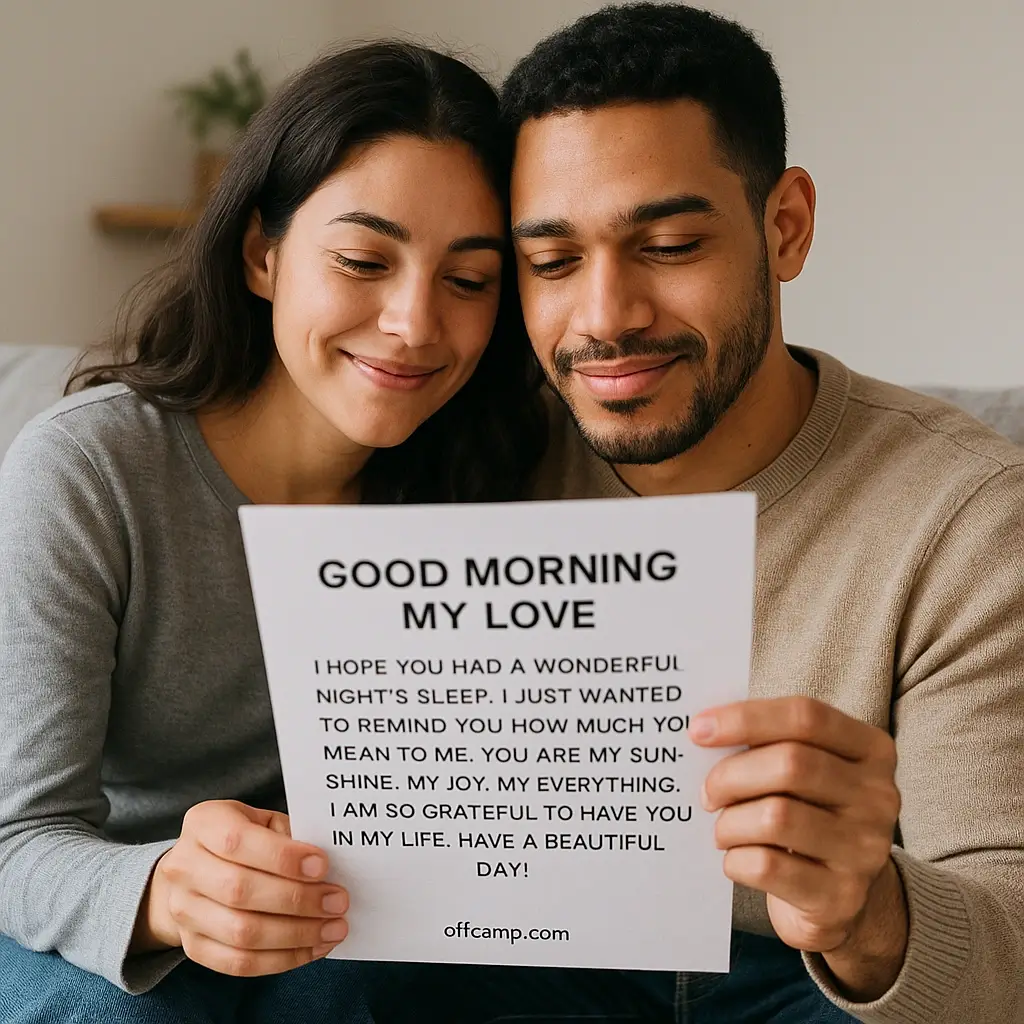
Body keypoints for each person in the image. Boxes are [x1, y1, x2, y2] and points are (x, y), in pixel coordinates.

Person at [401, 5, 1024, 1023]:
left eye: (669, 243)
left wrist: (869, 912)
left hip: (815, 986)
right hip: (523, 969)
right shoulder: (462, 452)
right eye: (551, 263)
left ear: (786, 226)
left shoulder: (966, 517)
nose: (604, 316)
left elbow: (1009, 942)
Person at [0, 41, 544, 1024]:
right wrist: (166, 890)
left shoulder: (492, 483)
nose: (414, 324)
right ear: (262, 254)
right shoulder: (89, 470)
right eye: (363, 261)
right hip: (97, 916)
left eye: (469, 279)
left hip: (336, 937)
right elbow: (17, 838)